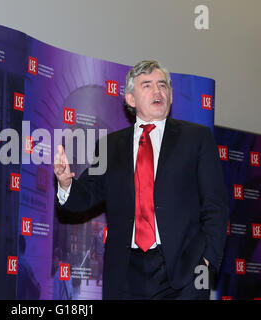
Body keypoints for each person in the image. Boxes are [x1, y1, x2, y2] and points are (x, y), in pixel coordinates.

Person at [54, 60, 228, 300]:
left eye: (163, 85)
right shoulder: (109, 146)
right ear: (130, 100)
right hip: (126, 271)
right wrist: (65, 184)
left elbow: (215, 203)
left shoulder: (196, 138)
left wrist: (207, 258)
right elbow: (86, 194)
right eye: (147, 85)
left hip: (184, 270)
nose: (158, 91)